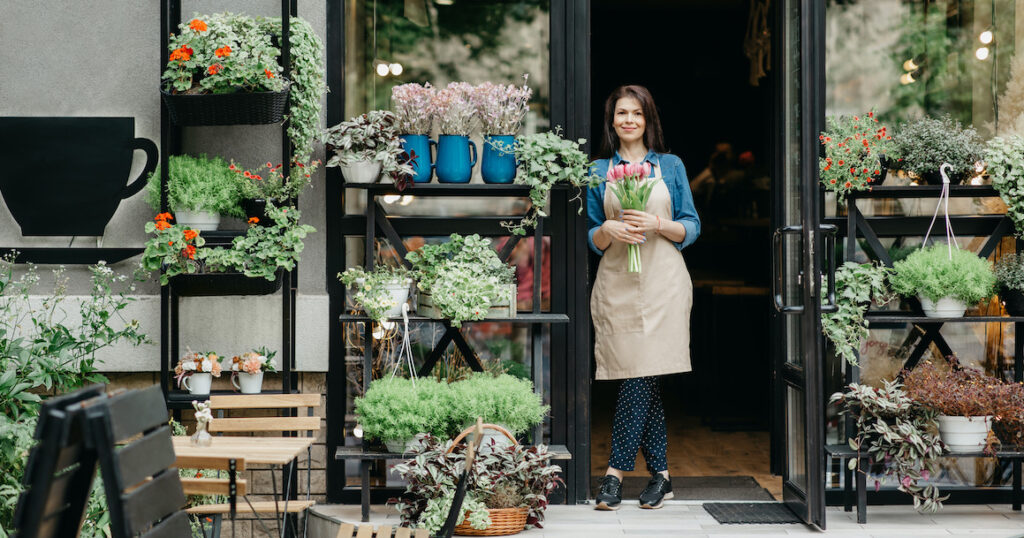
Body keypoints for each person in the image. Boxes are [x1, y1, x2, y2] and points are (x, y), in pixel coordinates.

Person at [587, 85, 701, 511]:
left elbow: (691, 226)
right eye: (621, 113)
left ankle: (615, 474)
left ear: (648, 119)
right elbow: (592, 235)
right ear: (612, 120)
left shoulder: (669, 165)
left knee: (641, 374)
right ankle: (662, 477)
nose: (629, 120)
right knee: (641, 374)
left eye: (637, 113)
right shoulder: (599, 170)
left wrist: (656, 222)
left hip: (663, 283)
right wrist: (609, 231)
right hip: (617, 280)